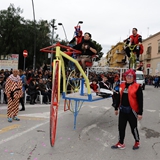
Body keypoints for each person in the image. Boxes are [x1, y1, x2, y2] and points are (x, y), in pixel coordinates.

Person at [111, 69, 143, 150]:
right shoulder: (122, 85)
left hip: (132, 111)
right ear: (125, 77)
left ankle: (137, 141)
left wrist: (140, 113)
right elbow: (118, 97)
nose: (129, 77)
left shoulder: (137, 86)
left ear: (133, 77)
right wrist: (116, 108)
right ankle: (121, 143)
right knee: (121, 127)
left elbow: (140, 100)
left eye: (131, 76)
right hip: (122, 110)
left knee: (133, 128)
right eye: (127, 76)